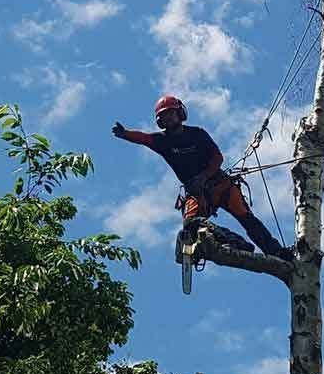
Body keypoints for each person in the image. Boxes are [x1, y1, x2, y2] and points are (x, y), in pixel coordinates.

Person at [112, 94, 290, 259]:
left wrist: (204, 176)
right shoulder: (162, 141)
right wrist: (125, 134)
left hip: (221, 185)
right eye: (165, 116)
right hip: (198, 194)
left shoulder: (197, 134)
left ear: (180, 113)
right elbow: (143, 138)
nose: (169, 118)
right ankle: (233, 242)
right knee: (190, 225)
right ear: (160, 121)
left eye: (172, 113)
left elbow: (217, 157)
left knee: (247, 218)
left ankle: (276, 252)